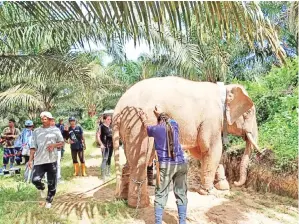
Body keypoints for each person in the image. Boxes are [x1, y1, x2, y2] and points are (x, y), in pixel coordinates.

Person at [138, 109, 188, 224]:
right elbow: (169, 121)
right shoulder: (175, 125)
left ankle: (158, 222)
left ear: (158, 121)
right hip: (181, 164)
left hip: (166, 166)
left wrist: (144, 118)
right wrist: (160, 113)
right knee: (181, 193)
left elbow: (146, 128)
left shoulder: (156, 129)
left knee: (161, 194)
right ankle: (182, 222)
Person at [29, 111, 64, 209]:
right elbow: (33, 147)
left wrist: (54, 145)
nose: (43, 120)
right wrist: (30, 160)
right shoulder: (36, 131)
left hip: (51, 160)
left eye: (45, 119)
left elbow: (61, 143)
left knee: (52, 182)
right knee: (35, 179)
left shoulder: (55, 130)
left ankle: (49, 200)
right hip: (39, 160)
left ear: (50, 120)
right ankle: (41, 187)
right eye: (42, 118)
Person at [96, 114, 113, 180]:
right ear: (104, 120)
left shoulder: (110, 127)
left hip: (111, 145)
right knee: (105, 159)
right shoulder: (101, 126)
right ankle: (103, 174)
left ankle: (108, 172)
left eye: (110, 119)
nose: (109, 121)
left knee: (109, 158)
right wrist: (101, 144)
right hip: (105, 146)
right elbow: (98, 136)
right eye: (108, 119)